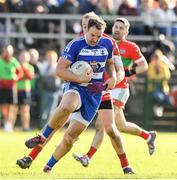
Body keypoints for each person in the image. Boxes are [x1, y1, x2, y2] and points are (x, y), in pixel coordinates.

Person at [16, 13, 134, 175]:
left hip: (98, 92)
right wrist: (78, 78)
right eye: (89, 31)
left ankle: (48, 167)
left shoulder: (108, 43)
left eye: (97, 35)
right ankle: (38, 143)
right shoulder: (76, 44)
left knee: (76, 136)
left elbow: (116, 68)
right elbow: (60, 70)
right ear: (84, 28)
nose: (94, 38)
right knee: (66, 107)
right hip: (77, 87)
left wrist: (113, 79)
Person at [73, 17, 156, 167]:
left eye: (121, 28)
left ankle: (88, 157)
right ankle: (148, 136)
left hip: (120, 89)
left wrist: (129, 72)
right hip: (105, 88)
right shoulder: (105, 42)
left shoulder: (131, 47)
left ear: (127, 31)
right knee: (121, 126)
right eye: (116, 27)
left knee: (101, 124)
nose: (117, 29)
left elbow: (144, 65)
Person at [0, 44, 23, 132]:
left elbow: (20, 72)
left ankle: (9, 125)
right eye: (6, 51)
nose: (7, 53)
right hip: (2, 87)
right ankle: (5, 123)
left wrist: (16, 77)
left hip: (11, 87)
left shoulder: (14, 61)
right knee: (3, 107)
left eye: (9, 52)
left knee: (11, 107)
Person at [13, 50, 34, 131]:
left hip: (25, 91)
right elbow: (16, 76)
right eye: (22, 56)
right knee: (14, 109)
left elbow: (29, 76)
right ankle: (10, 126)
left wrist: (21, 74)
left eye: (25, 56)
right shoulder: (16, 66)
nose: (23, 58)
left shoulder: (30, 67)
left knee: (25, 110)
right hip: (16, 90)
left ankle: (25, 127)